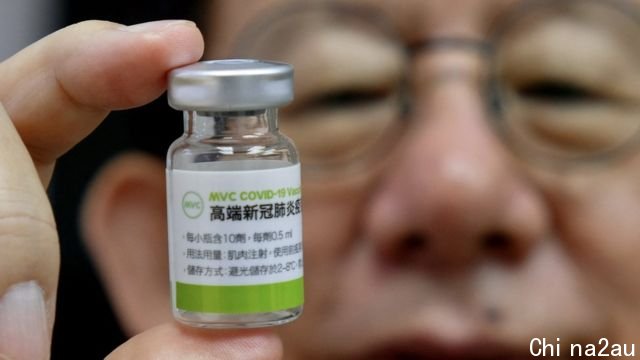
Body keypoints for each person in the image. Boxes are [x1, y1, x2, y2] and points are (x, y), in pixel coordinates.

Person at [4, 0, 640, 358]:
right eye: (345, 95)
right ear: (157, 258)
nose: (456, 184)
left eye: (567, 89)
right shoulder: (204, 163)